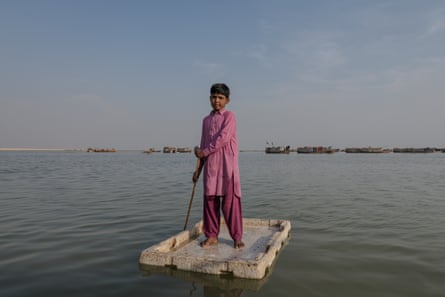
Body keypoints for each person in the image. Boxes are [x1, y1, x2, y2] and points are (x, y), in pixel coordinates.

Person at [193, 83, 245, 249]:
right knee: (210, 202)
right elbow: (202, 145)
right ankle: (212, 235)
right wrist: (198, 170)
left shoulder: (229, 116)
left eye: (221, 98)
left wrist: (204, 152)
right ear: (209, 99)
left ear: (227, 100)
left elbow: (223, 138)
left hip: (227, 168)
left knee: (230, 204)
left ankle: (237, 237)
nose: (217, 100)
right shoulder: (206, 121)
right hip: (211, 169)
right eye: (214, 97)